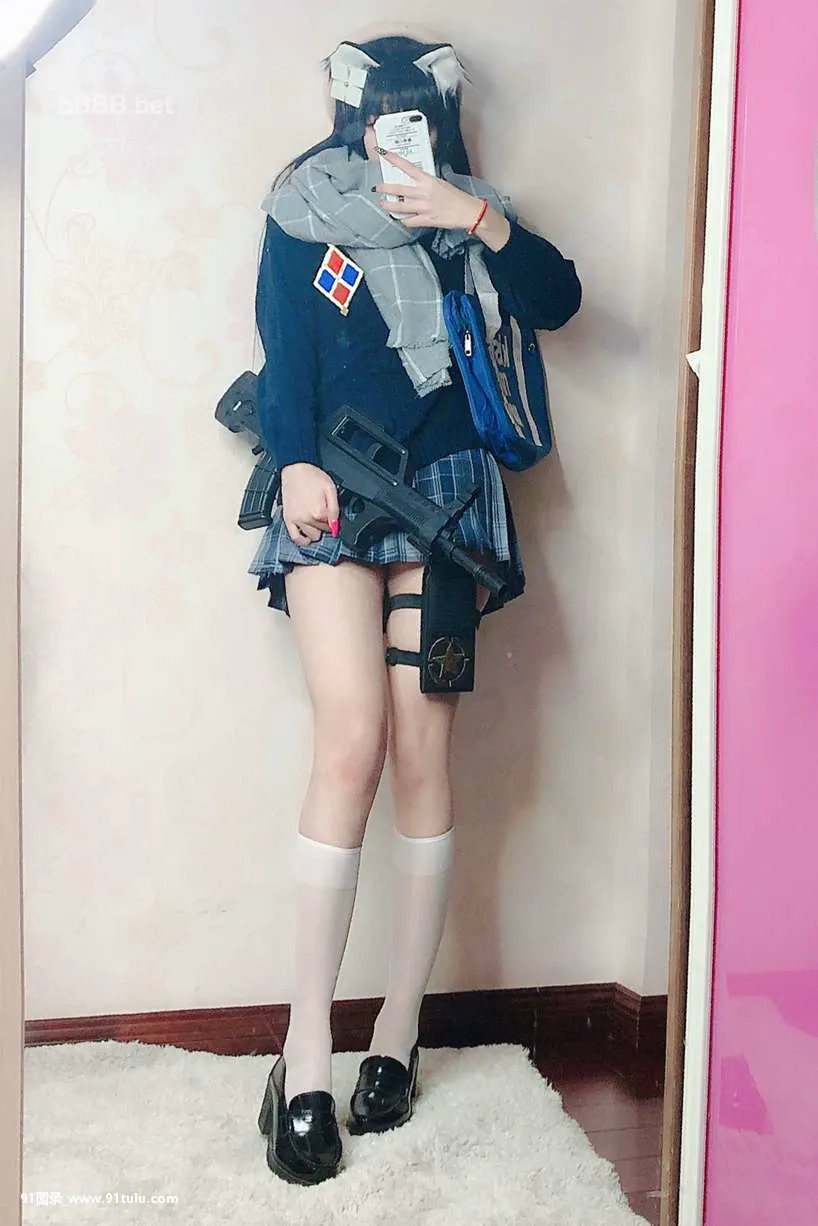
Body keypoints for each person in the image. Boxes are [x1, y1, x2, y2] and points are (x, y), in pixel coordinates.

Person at [251, 34, 581, 1186]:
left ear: (435, 117)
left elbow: (557, 298)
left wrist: (471, 216)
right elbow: (282, 348)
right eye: (377, 117)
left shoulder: (468, 217)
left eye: (413, 117)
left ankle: (395, 1034)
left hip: (445, 502)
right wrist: (293, 458)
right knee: (349, 739)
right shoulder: (301, 209)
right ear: (348, 116)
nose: (393, 136)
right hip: (333, 485)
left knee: (421, 752)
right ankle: (303, 1055)